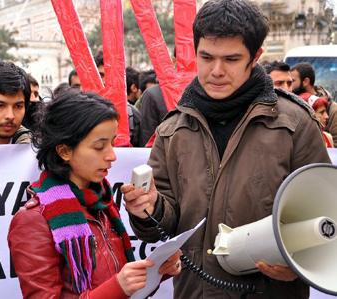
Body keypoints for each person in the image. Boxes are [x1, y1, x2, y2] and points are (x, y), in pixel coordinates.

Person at [121, 0, 331, 298]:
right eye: (206, 57)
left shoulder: (295, 124)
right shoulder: (172, 130)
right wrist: (149, 209)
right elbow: (162, 227)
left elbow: (324, 219)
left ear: (255, 56)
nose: (216, 71)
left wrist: (297, 265)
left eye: (231, 59)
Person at [8, 89, 182, 298]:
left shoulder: (101, 202)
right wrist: (118, 287)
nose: (112, 155)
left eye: (112, 143)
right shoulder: (33, 220)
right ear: (64, 151)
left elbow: (114, 280)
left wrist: (157, 271)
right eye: (99, 147)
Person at [291, 62, 337, 147]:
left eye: (292, 81)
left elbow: (335, 143)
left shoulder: (332, 108)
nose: (289, 85)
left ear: (306, 81)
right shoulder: (290, 104)